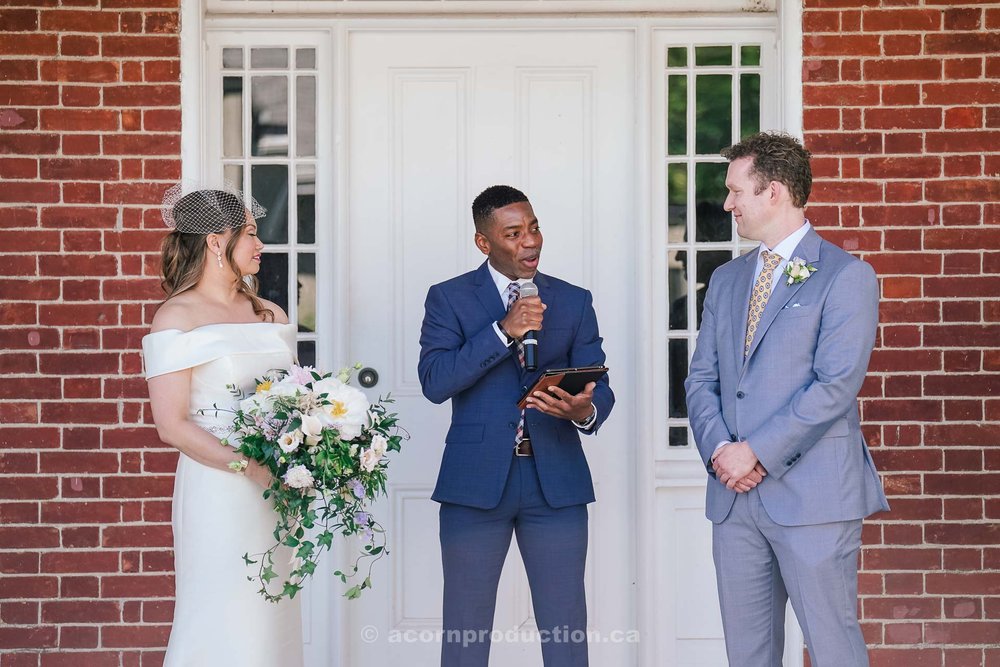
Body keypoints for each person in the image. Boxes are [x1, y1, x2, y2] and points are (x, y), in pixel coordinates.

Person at [685, 132, 889, 667]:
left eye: (735, 191)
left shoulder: (846, 276)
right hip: (734, 500)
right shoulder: (727, 281)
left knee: (832, 645)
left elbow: (834, 385)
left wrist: (754, 451)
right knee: (747, 653)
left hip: (814, 495)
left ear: (774, 192)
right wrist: (722, 452)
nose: (727, 204)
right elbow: (700, 378)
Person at [418, 185, 615, 666]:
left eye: (534, 228)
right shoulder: (448, 299)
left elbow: (600, 387)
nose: (530, 242)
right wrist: (502, 331)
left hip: (556, 485)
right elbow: (435, 381)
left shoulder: (573, 300)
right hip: (474, 483)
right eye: (513, 233)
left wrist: (582, 411)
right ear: (484, 242)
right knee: (466, 631)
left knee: (566, 628)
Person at [142, 186, 303, 666]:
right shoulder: (176, 317)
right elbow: (171, 425)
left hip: (277, 489)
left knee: (272, 609)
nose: (261, 246)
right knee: (221, 610)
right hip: (219, 488)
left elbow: (296, 398)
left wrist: (305, 459)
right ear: (216, 241)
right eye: (251, 235)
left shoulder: (269, 313)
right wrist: (251, 468)